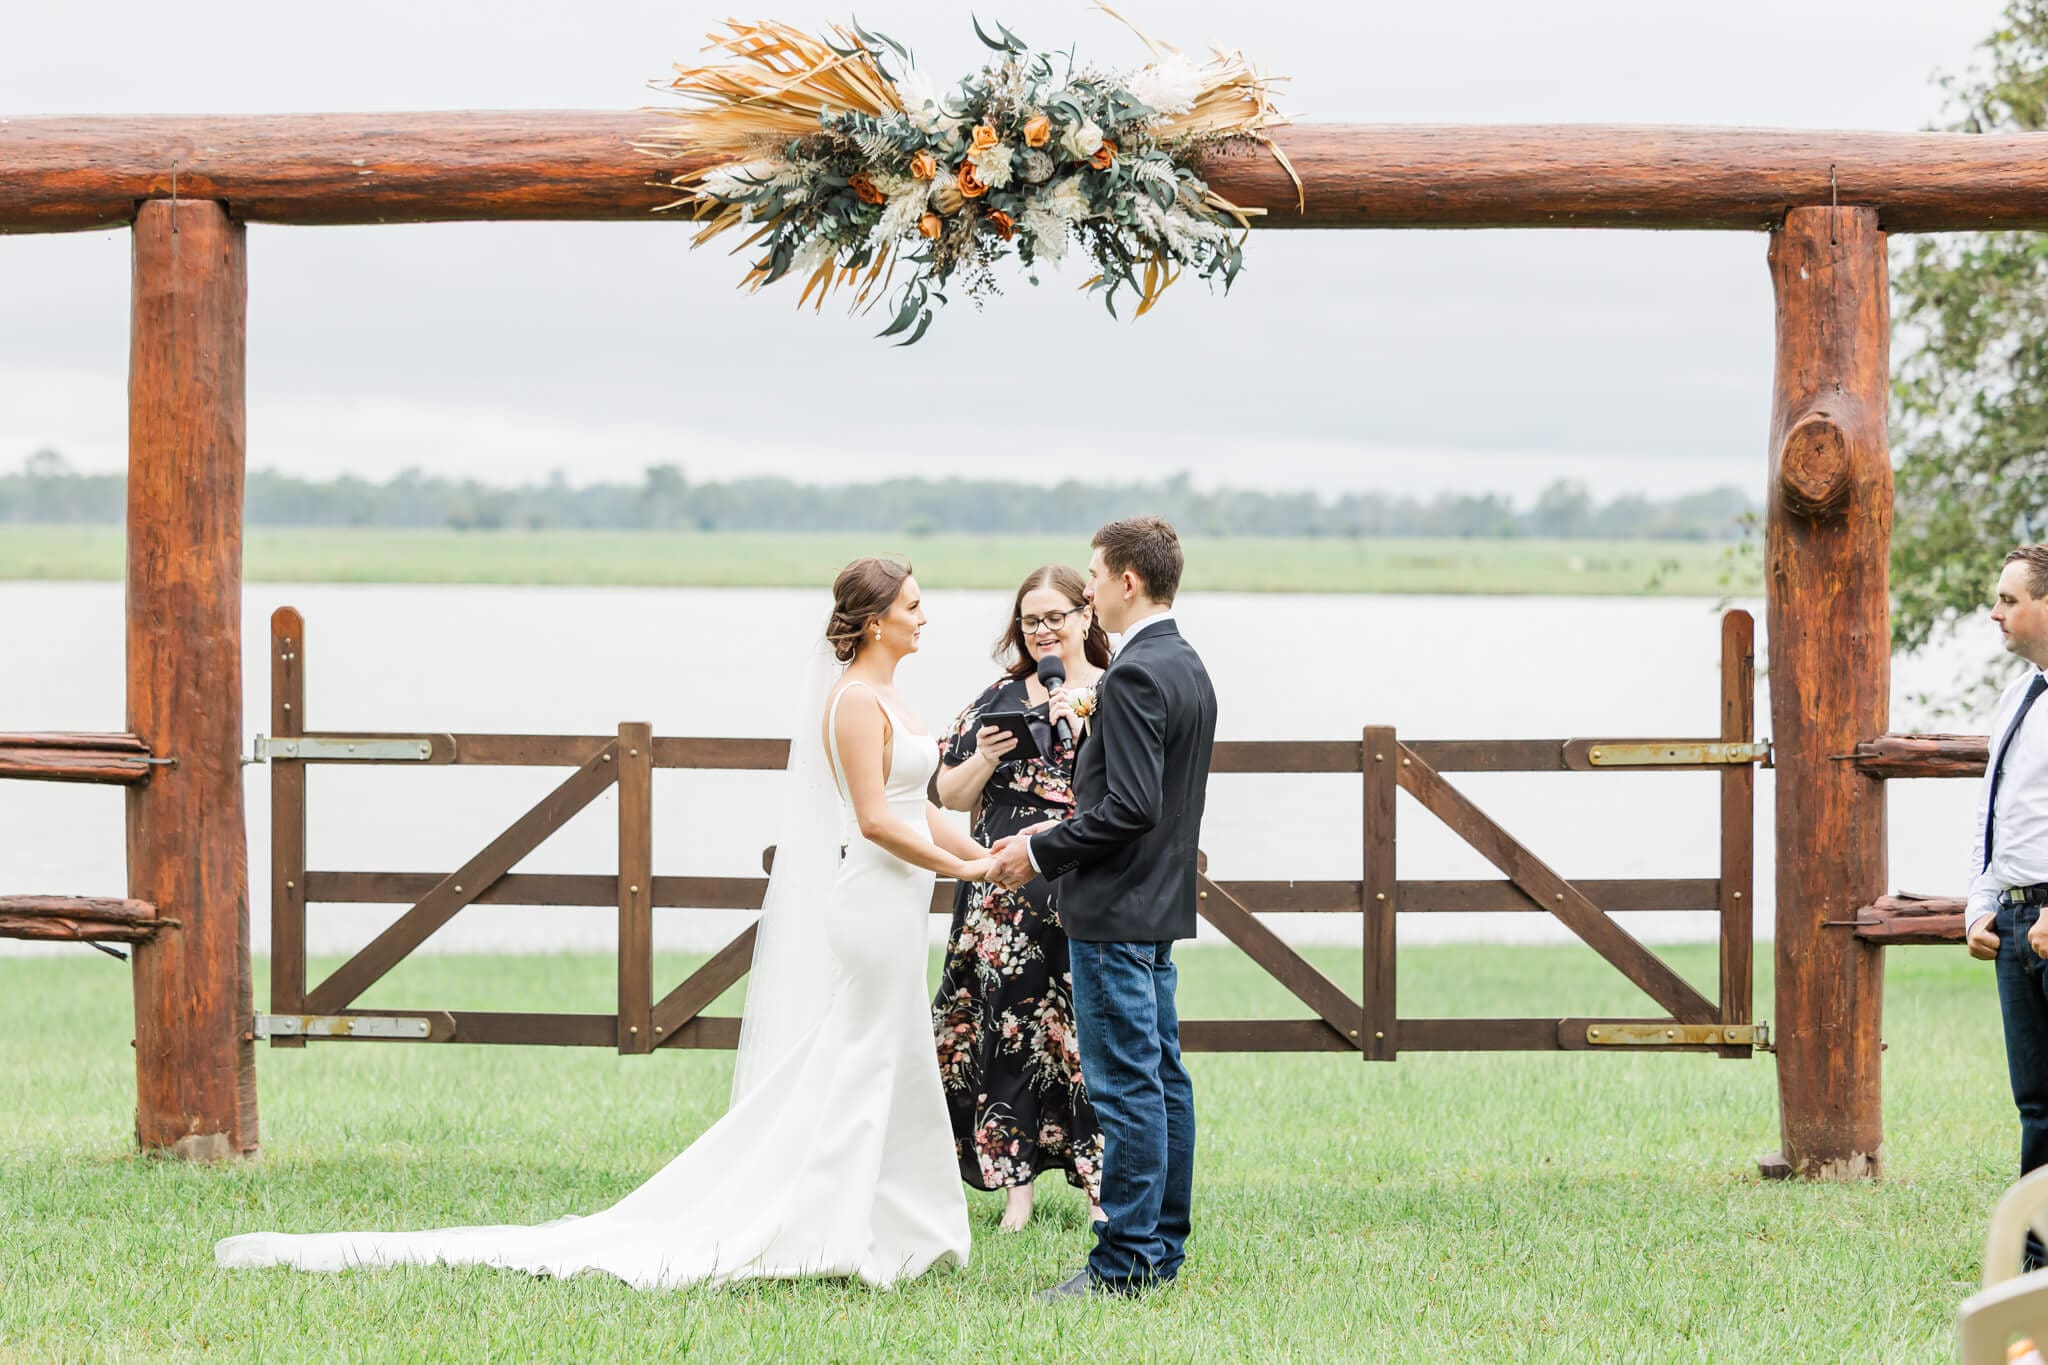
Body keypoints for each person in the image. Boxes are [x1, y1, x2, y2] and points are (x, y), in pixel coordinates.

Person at [215, 558, 995, 1290]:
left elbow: (917, 807)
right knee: (861, 1060)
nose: (924, 616)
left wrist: (985, 853)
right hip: (870, 903)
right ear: (872, 621)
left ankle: (898, 1218)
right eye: (912, 605)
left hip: (897, 905)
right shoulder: (856, 701)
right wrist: (958, 871)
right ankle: (826, 1224)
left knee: (888, 1053)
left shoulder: (896, 696)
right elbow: (871, 820)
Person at [985, 517, 1217, 1301]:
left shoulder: (1134, 675)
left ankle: (1122, 1263)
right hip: (1154, 907)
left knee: (1125, 1087)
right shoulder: (1187, 664)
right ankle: (1160, 1250)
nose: (1086, 588)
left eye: (1094, 574)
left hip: (1116, 909)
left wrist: (1041, 849)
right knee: (1161, 1078)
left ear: (1127, 581)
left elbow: (1132, 806)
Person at [933, 564, 1110, 1232]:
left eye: (1054, 617)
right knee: (1005, 1033)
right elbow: (946, 795)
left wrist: (1082, 730)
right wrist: (984, 754)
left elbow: (1125, 794)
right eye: (1030, 620)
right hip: (998, 899)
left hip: (1078, 888)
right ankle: (1016, 1193)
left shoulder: (1113, 691)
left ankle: (1099, 1183)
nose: (1042, 632)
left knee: (1080, 1036)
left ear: (1085, 615)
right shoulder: (999, 695)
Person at [1966, 544, 2048, 1267]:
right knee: (2036, 1100)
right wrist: (1979, 905)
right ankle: (2039, 1263)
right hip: (2017, 920)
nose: (1996, 612)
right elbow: (1994, 814)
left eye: (2008, 599)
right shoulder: (2016, 696)